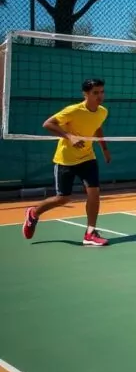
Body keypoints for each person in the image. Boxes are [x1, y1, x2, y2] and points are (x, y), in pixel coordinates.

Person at [22, 78, 111, 247]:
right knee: (63, 198)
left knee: (94, 193)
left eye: (102, 92)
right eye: (95, 93)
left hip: (87, 157)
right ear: (85, 94)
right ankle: (33, 212)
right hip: (66, 160)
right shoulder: (73, 111)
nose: (100, 96)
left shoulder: (102, 111)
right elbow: (48, 124)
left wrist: (104, 149)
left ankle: (90, 233)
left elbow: (97, 127)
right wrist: (70, 137)